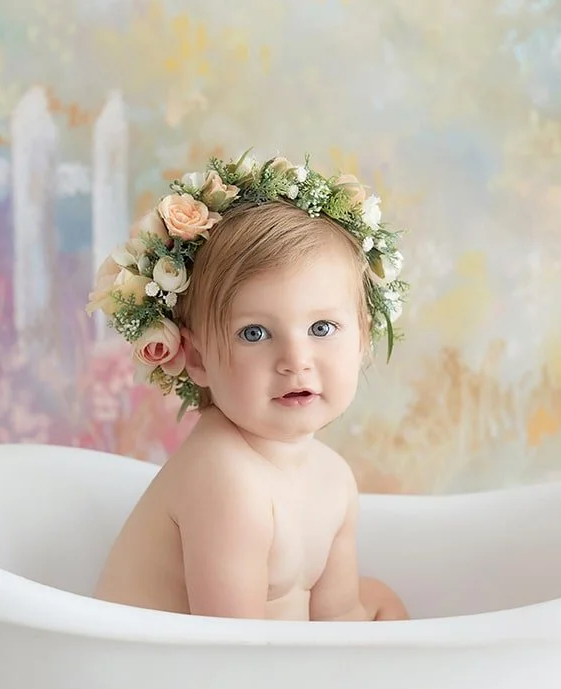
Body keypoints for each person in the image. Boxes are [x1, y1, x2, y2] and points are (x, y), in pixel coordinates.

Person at [86, 152, 410, 622]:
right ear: (196, 358)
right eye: (254, 333)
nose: (296, 361)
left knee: (381, 603)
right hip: (170, 680)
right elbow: (233, 656)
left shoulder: (333, 478)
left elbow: (338, 617)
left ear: (363, 338)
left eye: (322, 328)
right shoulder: (225, 480)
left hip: (265, 662)